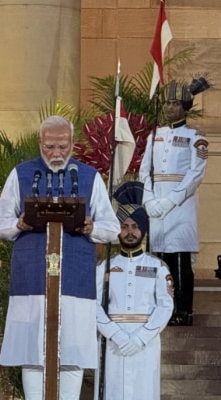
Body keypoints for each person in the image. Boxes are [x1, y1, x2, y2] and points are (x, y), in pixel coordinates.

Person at [0, 116, 119, 400]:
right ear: (40, 143)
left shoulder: (89, 176)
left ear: (73, 143)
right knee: (32, 350)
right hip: (32, 281)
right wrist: (19, 225)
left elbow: (113, 229)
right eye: (50, 147)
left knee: (72, 350)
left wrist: (92, 227)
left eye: (62, 146)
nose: (57, 153)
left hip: (75, 279)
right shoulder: (22, 174)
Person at [139, 78, 211, 326]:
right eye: (167, 103)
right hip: (155, 204)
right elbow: (144, 171)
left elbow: (195, 174)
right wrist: (148, 200)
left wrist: (169, 201)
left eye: (174, 103)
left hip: (180, 208)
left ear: (185, 107)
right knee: (158, 257)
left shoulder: (196, 137)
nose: (169, 108)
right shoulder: (154, 135)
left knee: (179, 259)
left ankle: (182, 311)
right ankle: (161, 308)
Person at [95, 182, 174, 400]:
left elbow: (165, 306)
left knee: (144, 390)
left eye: (135, 226)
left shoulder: (158, 267)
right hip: (112, 342)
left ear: (143, 230)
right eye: (124, 226)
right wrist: (115, 334)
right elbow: (93, 304)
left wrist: (141, 337)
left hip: (146, 343)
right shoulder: (105, 267)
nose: (130, 232)